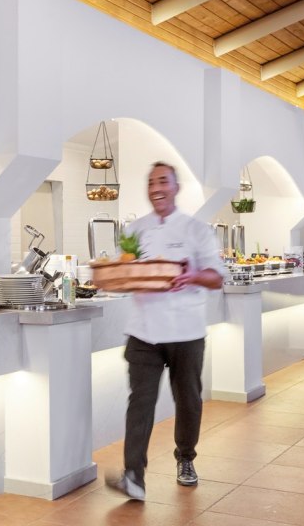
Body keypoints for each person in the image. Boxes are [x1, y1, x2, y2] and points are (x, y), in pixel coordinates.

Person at [107, 161, 226, 501]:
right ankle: (133, 475)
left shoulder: (196, 230)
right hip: (143, 330)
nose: (156, 188)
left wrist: (192, 276)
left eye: (163, 181)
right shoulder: (135, 230)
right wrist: (115, 277)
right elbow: (123, 272)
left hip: (186, 330)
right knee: (140, 402)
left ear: (176, 187)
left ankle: (185, 458)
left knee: (188, 400)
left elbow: (216, 277)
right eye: (151, 182)